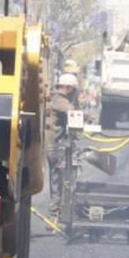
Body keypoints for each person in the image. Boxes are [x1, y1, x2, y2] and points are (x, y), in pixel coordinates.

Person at [45, 72, 79, 219]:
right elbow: (73, 112)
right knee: (60, 179)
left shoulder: (54, 98)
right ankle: (55, 211)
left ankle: (57, 211)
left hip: (55, 145)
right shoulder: (60, 101)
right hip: (56, 147)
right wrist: (88, 116)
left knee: (57, 177)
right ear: (69, 88)